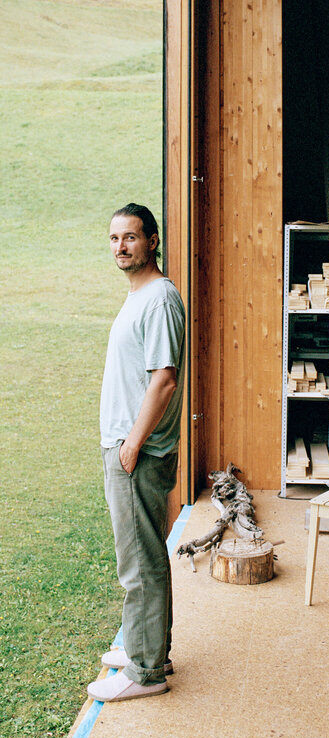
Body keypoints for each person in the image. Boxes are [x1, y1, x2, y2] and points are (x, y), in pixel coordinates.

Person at [87, 203, 185, 702]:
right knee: (141, 556)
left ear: (152, 241)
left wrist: (131, 445)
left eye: (130, 237)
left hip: (137, 452)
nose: (121, 246)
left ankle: (147, 672)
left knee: (140, 562)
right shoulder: (141, 294)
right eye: (113, 238)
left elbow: (163, 381)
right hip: (129, 446)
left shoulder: (161, 300)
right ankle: (148, 648)